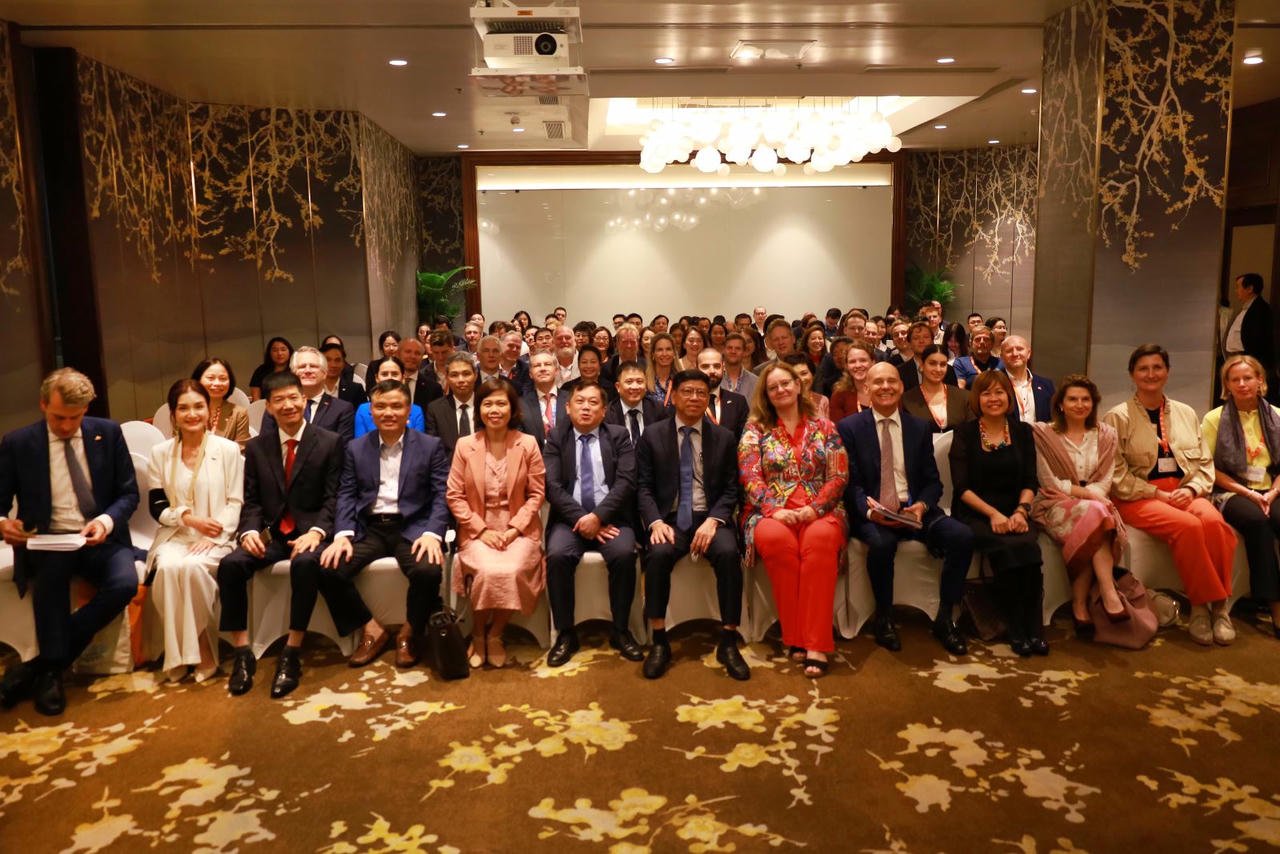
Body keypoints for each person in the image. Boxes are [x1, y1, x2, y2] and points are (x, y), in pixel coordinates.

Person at [0, 368, 139, 716]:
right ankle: (50, 675)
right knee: (49, 582)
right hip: (47, 540)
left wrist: (105, 522)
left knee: (125, 583)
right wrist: (4, 524)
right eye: (58, 417)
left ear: (86, 409)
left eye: (74, 418)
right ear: (43, 404)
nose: (65, 426)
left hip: (100, 538)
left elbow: (128, 494)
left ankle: (43, 664)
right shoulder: (18, 443)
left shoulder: (108, 433)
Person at [217, 370, 343, 698]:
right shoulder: (258, 448)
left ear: (304, 400)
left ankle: (292, 651)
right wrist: (248, 532)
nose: (288, 405)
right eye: (279, 400)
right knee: (231, 565)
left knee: (305, 564)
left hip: (310, 534)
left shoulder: (329, 442)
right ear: (269, 407)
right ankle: (242, 652)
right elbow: (252, 499)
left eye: (293, 398)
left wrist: (317, 532)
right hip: (272, 534)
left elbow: (334, 497)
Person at [1103, 344, 1237, 645]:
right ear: (1132, 375)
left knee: (1214, 523)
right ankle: (1202, 607)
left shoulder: (1186, 413)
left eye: (1157, 367)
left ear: (1167, 372)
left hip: (1185, 491)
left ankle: (1219, 608)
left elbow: (1204, 463)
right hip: (1138, 497)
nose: (1151, 374)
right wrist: (1157, 494)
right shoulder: (1117, 417)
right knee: (1188, 527)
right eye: (1143, 369)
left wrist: (1191, 489)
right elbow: (1116, 474)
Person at [842, 363, 974, 656]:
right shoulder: (850, 428)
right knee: (881, 544)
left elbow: (932, 480)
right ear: (866, 388)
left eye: (892, 381)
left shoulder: (918, 427)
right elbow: (850, 484)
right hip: (875, 512)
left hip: (914, 509)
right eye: (878, 382)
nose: (885, 387)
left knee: (961, 537)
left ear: (901, 387)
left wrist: (922, 505)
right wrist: (870, 511)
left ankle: (945, 618)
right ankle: (884, 617)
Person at [319, 379, 452, 669]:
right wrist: (342, 535)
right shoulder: (355, 448)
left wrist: (433, 533)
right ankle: (372, 628)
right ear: (371, 411)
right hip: (369, 528)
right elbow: (346, 493)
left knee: (428, 570)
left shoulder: (430, 446)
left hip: (413, 527)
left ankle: (410, 632)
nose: (388, 412)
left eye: (396, 406)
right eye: (380, 406)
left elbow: (442, 494)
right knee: (327, 567)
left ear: (408, 411)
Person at [636, 369, 749, 681]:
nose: (695, 398)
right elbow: (643, 487)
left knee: (728, 554)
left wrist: (714, 520)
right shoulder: (652, 435)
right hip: (669, 519)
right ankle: (660, 640)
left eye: (701, 393)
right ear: (673, 396)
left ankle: (728, 640)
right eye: (687, 392)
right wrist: (655, 522)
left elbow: (731, 489)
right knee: (658, 555)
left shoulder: (723, 438)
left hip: (709, 517)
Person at [740, 362, 847, 677]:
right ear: (765, 394)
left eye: (785, 383)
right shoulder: (755, 430)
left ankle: (815, 644)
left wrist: (815, 509)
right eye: (772, 387)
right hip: (769, 512)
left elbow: (839, 475)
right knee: (777, 541)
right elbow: (749, 476)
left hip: (821, 510)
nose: (780, 390)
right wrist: (774, 509)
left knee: (819, 540)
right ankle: (796, 635)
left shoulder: (825, 426)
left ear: (798, 385)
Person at [145, 379, 243, 682]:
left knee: (191, 569)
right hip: (176, 535)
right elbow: (156, 506)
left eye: (199, 406)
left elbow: (236, 501)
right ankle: (193, 651)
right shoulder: (161, 453)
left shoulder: (227, 450)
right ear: (173, 415)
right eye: (183, 408)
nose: (192, 414)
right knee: (168, 568)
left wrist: (214, 534)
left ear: (209, 411)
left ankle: (193, 653)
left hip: (217, 536)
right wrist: (187, 519)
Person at [447, 379, 546, 669]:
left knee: (511, 569)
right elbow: (454, 495)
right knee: (488, 570)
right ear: (479, 409)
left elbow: (537, 494)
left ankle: (495, 634)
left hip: (520, 529)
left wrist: (514, 529)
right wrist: (481, 530)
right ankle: (478, 634)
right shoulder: (465, 445)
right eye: (487, 403)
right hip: (477, 528)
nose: (494, 410)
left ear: (512, 409)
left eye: (501, 403)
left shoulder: (527, 444)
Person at [544, 381, 644, 667]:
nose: (586, 407)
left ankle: (620, 630)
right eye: (580, 402)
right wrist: (582, 519)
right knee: (557, 555)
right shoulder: (556, 437)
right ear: (568, 407)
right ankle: (566, 633)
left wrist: (598, 517)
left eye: (593, 403)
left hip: (611, 518)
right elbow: (552, 486)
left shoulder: (619, 436)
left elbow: (626, 482)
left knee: (624, 555)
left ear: (603, 411)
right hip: (569, 520)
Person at [949, 370, 1047, 657]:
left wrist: (1021, 511)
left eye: (999, 392)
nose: (993, 398)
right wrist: (993, 515)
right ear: (977, 399)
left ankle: (1034, 628)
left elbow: (1030, 480)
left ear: (1009, 396)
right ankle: (1016, 627)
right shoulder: (965, 433)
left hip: (1016, 510)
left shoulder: (1023, 431)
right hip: (976, 512)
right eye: (986, 393)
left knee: (1028, 546)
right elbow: (961, 488)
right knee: (1006, 547)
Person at [1030, 374, 1129, 635]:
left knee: (1092, 520)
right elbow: (1049, 483)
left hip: (1095, 505)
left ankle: (1080, 604)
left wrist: (1091, 498)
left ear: (1093, 403)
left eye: (1086, 399)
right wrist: (1088, 496)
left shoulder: (1106, 435)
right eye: (1072, 399)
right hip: (1054, 504)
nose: (1079, 404)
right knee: (1097, 514)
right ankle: (1108, 591)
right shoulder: (1044, 434)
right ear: (1060, 404)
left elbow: (1105, 480)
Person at [1203, 355, 1280, 637]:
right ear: (1227, 385)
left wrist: (1272, 493)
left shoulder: (1277, 416)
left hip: (1272, 489)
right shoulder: (1214, 419)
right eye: (1235, 379)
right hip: (1231, 490)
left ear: (1260, 380)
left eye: (1248, 378)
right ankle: (1275, 606)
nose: (1242, 384)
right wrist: (1248, 492)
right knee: (1259, 522)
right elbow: (1208, 467)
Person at [260, 346, 356, 444]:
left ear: (324, 373)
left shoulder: (342, 409)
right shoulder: (279, 407)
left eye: (313, 366)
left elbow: (342, 448)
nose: (308, 371)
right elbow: (265, 444)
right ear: (292, 373)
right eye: (302, 367)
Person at [1224, 273, 1274, 395]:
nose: (1236, 291)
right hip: (1240, 358)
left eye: (1238, 287)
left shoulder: (1260, 309)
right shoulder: (1248, 308)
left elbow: (1258, 340)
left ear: (1250, 288)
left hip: (1251, 360)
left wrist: (1248, 360)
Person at [902, 345, 971, 432]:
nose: (938, 369)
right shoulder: (907, 399)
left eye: (943, 364)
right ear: (922, 365)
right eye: (932, 363)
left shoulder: (964, 397)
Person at [353, 357, 426, 438]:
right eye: (384, 374)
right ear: (377, 378)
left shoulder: (416, 411)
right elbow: (360, 443)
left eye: (394, 374)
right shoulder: (363, 410)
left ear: (403, 378)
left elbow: (417, 443)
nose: (389, 378)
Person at [426, 353, 479, 459]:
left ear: (475, 375)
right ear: (447, 378)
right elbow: (433, 450)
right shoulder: (436, 409)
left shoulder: (485, 405)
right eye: (454, 375)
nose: (461, 380)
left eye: (466, 374)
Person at [606, 361, 667, 449]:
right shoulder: (608, 414)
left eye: (639, 381)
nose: (635, 387)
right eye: (629, 382)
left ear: (646, 386)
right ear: (618, 387)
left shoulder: (658, 410)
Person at [193, 357, 250, 450]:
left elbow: (241, 449)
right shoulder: (186, 411)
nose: (217, 383)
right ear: (198, 380)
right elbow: (180, 445)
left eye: (223, 379)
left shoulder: (239, 413)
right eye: (211, 378)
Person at [696, 348, 750, 441]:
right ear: (696, 368)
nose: (712, 371)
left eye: (717, 366)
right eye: (705, 366)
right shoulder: (687, 401)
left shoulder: (738, 402)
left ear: (723, 367)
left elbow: (745, 440)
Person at [1000, 335, 1054, 423]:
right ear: (1002, 356)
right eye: (1009, 350)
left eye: (1019, 349)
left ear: (1028, 353)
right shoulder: (994, 383)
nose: (1015, 354)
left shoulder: (1046, 385)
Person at [897, 322, 959, 391]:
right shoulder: (900, 372)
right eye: (916, 338)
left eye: (926, 337)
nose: (921, 341)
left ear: (932, 341)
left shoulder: (948, 370)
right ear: (909, 343)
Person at [829, 344, 874, 423]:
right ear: (846, 366)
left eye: (863, 360)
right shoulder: (839, 395)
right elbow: (837, 427)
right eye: (852, 362)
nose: (858, 365)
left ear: (872, 362)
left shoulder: (884, 390)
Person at [397, 337, 445, 408]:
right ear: (398, 354)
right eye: (408, 352)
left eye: (417, 353)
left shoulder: (434, 389)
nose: (413, 356)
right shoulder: (386, 382)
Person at [319, 341, 367, 408]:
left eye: (337, 360)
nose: (333, 365)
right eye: (328, 360)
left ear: (343, 363)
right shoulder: (312, 387)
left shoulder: (355, 389)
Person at [780, 354, 829, 420]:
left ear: (812, 374)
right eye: (794, 375)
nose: (801, 379)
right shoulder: (783, 402)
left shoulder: (823, 400)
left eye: (804, 373)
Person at [601, 323, 645, 390]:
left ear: (638, 343)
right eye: (625, 342)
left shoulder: (647, 367)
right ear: (617, 343)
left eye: (632, 342)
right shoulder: (607, 369)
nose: (629, 346)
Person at [249, 336, 294, 401]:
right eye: (275, 350)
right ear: (269, 353)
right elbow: (255, 397)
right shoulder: (261, 370)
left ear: (290, 351)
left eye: (283, 349)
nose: (279, 353)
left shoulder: (295, 369)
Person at [720, 332, 758, 400]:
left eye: (738, 348)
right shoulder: (714, 379)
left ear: (744, 352)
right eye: (729, 348)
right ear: (723, 350)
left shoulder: (756, 382)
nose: (733, 351)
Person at [645, 332, 678, 408]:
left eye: (668, 349)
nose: (664, 354)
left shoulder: (682, 380)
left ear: (674, 353)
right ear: (653, 354)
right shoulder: (644, 381)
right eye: (659, 350)